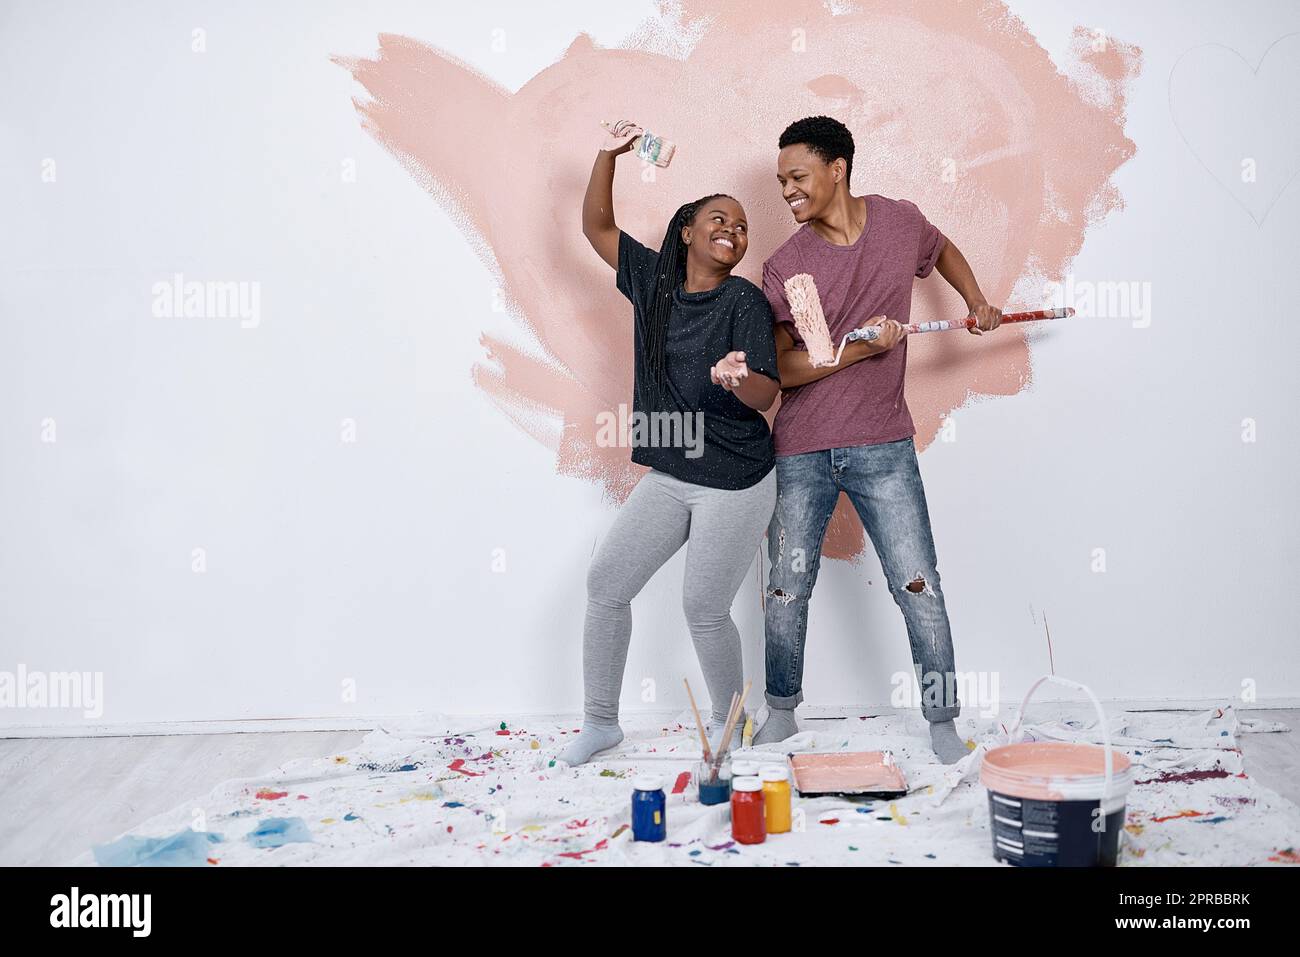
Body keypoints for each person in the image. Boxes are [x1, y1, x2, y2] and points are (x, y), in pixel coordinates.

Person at [756, 116, 1003, 763]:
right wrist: (858, 345)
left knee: (918, 582)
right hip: (801, 448)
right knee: (786, 587)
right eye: (781, 181)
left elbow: (941, 248)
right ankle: (780, 710)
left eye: (797, 176)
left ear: (837, 169)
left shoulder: (899, 222)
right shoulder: (786, 268)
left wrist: (975, 298)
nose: (787, 191)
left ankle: (944, 724)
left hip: (884, 444)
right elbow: (784, 368)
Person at [559, 121, 781, 765]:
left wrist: (738, 380)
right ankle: (601, 723)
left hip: (737, 479)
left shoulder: (745, 301)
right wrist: (609, 154)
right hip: (671, 472)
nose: (733, 232)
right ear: (686, 228)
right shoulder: (653, 282)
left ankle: (731, 720)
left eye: (742, 227)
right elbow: (596, 227)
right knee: (606, 584)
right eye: (719, 219)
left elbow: (766, 395)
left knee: (703, 608)